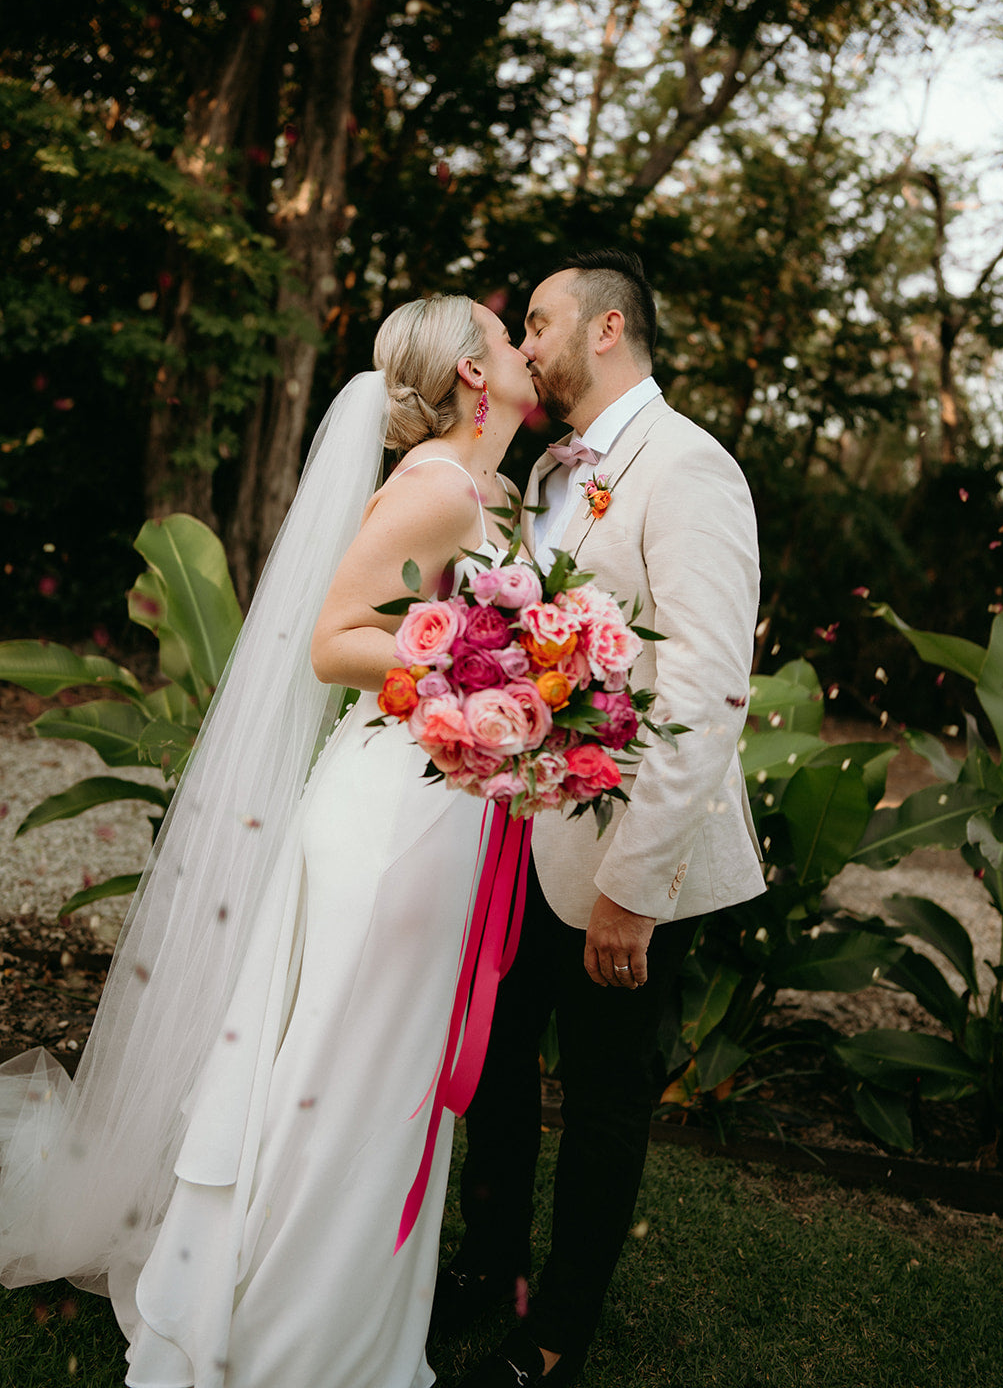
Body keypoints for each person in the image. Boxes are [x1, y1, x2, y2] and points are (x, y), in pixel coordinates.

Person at [0, 294, 538, 1388]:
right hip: (391, 811)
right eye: (508, 334)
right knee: (347, 1067)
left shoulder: (490, 493)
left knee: (383, 1072)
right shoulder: (435, 489)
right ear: (476, 376)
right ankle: (282, 1334)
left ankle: (347, 1324)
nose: (529, 349)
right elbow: (333, 638)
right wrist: (479, 677)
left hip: (443, 805)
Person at [436, 250, 766, 1388]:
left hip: (628, 860)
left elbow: (709, 688)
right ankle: (490, 1268)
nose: (522, 345)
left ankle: (551, 1334)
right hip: (528, 837)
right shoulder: (550, 474)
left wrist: (632, 886)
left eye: (537, 322)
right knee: (498, 1070)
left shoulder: (688, 468)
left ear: (608, 326)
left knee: (603, 1104)